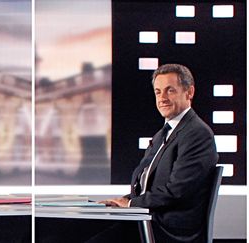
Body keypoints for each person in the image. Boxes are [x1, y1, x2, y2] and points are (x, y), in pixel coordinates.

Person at [92, 63, 219, 242]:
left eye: (170, 90)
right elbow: (147, 186)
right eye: (158, 92)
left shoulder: (197, 134)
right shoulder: (163, 133)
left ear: (189, 92)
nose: (162, 98)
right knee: (86, 229)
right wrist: (122, 200)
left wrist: (130, 204)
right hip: (148, 220)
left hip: (168, 230)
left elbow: (176, 192)